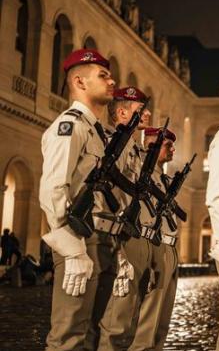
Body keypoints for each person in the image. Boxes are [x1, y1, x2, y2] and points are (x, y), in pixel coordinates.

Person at [38, 48, 119, 350]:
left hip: (98, 238)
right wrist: (71, 249)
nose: (112, 82)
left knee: (90, 334)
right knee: (69, 335)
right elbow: (53, 187)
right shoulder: (69, 125)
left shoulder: (94, 130)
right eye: (103, 76)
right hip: (79, 237)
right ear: (80, 82)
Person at [98, 86, 154, 350]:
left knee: (128, 320)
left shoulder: (132, 147)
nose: (148, 113)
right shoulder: (116, 143)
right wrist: (121, 251)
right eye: (141, 110)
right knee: (114, 322)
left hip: (128, 233)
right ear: (122, 112)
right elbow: (113, 194)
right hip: (114, 235)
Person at [131, 127, 181, 350]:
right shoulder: (141, 174)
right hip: (152, 243)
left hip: (170, 248)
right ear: (150, 145)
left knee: (162, 322)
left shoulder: (164, 177)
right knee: (146, 321)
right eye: (167, 145)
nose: (172, 149)